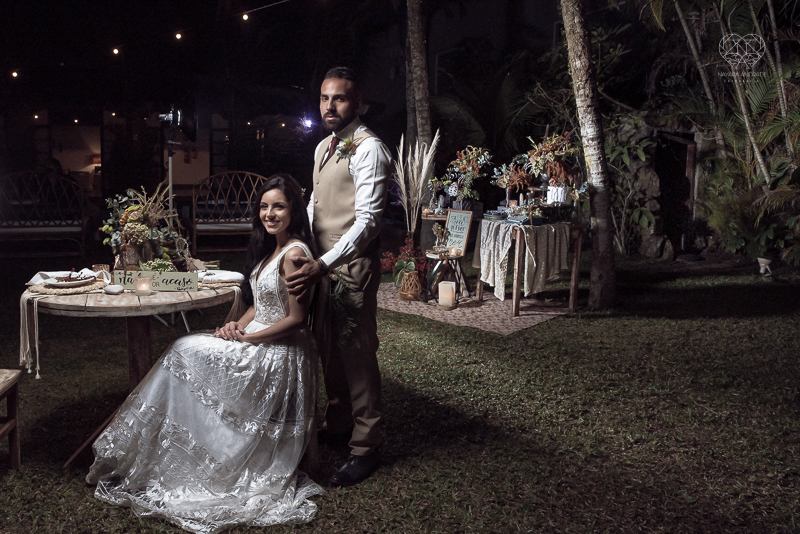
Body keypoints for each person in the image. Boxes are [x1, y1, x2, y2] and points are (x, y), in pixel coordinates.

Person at [86, 174, 324, 534]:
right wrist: (235, 327)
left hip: (279, 354)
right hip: (257, 339)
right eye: (263, 206)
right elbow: (260, 307)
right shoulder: (272, 249)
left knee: (183, 349)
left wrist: (250, 341)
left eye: (278, 206)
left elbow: (296, 320)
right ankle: (166, 447)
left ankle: (192, 449)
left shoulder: (293, 254)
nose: (269, 214)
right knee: (187, 348)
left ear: (294, 210)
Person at [284, 66, 392, 487]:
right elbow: (315, 203)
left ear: (357, 102)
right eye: (325, 98)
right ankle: (341, 423)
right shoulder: (323, 147)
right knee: (327, 347)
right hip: (320, 264)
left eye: (340, 98)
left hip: (349, 267)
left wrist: (325, 262)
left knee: (357, 354)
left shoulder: (370, 149)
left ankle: (367, 445)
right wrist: (300, 244)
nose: (331, 106)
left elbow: (368, 221)